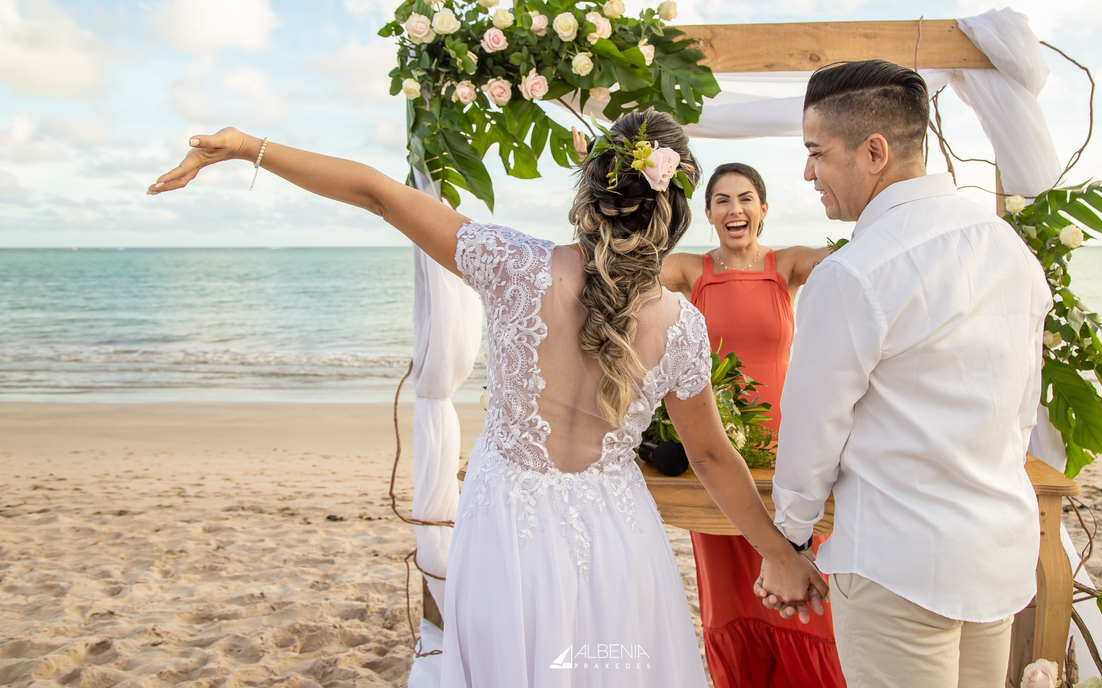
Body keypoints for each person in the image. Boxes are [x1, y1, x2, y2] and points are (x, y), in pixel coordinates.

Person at [147, 109, 828, 687]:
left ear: (592, 189)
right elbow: (711, 458)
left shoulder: (513, 264)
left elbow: (377, 193)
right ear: (674, 210)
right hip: (617, 535)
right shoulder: (681, 325)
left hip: (509, 526)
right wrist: (778, 552)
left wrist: (246, 147)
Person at [763, 61, 1052, 688]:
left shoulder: (855, 272)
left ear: (874, 152)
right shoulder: (1010, 248)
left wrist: (788, 542)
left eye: (816, 152)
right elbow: (1020, 411)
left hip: (898, 564)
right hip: (996, 553)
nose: (807, 172)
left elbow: (813, 429)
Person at [659, 165, 843, 688]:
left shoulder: (786, 265)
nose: (734, 209)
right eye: (721, 200)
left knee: (808, 579)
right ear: (708, 213)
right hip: (715, 450)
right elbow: (622, 271)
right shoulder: (690, 271)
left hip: (789, 449)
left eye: (745, 198)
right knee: (729, 591)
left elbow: (854, 256)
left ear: (763, 209)